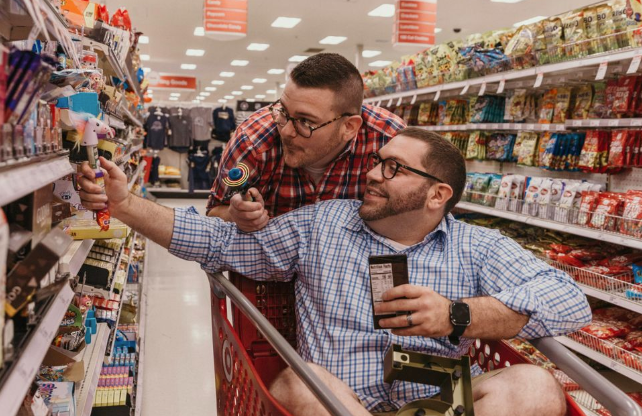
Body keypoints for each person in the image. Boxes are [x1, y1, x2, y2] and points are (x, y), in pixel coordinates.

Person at [78, 128, 591, 416]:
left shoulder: (475, 245)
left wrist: (457, 315)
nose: (371, 173)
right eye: (376, 162)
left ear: (438, 195)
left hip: (438, 404)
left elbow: (570, 301)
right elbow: (217, 241)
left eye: (393, 169)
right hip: (343, 402)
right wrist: (125, 206)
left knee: (536, 387)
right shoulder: (324, 225)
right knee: (306, 383)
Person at [205, 52, 406, 231]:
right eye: (282, 111)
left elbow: (416, 215)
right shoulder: (253, 140)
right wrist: (235, 215)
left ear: (349, 127)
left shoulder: (389, 140)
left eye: (305, 121)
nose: (286, 131)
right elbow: (214, 211)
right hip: (270, 269)